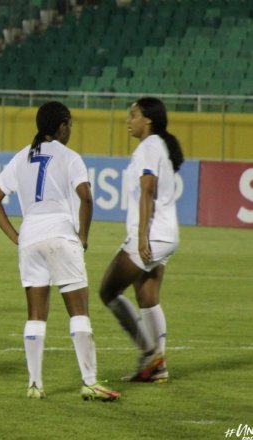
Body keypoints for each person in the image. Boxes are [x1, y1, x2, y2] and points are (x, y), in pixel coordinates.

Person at [0, 101, 119, 401]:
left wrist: (17, 237)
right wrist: (83, 236)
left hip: (31, 238)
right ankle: (90, 381)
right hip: (61, 234)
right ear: (62, 126)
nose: (70, 130)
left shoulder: (21, 157)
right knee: (78, 312)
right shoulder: (70, 157)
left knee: (35, 315)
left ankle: (34, 384)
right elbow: (86, 198)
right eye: (69, 125)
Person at [99, 97, 183, 383]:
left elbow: (147, 190)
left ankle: (151, 354)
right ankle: (157, 368)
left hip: (152, 235)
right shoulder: (159, 146)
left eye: (133, 114)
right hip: (167, 234)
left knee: (108, 291)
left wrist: (141, 236)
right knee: (147, 296)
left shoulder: (149, 146)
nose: (128, 120)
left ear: (147, 119)